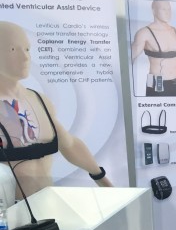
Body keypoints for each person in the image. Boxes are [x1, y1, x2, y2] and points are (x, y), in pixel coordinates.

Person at [0, 21, 112, 198]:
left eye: (27, 49)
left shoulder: (38, 100)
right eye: (13, 49)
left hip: (48, 204)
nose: (25, 57)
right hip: (11, 211)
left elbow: (69, 144)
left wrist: (103, 181)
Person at [131, 0, 176, 97]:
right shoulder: (144, 33)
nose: (168, 13)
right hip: (156, 82)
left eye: (169, 9)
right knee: (155, 107)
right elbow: (130, 56)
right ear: (154, 11)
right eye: (163, 9)